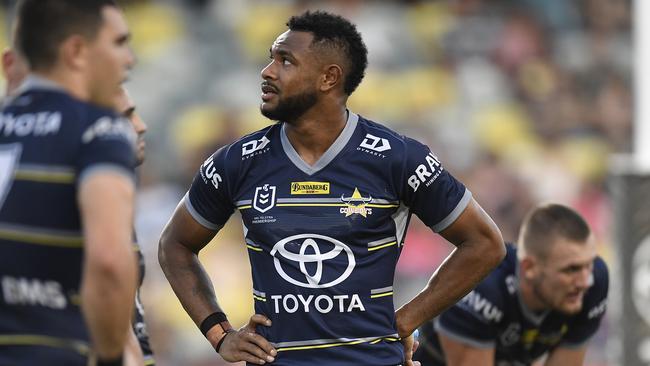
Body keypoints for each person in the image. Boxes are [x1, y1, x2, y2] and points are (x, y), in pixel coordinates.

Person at [158, 10, 505, 366]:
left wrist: (406, 320)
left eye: (286, 61)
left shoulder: (398, 158)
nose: (267, 71)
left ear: (329, 78)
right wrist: (220, 334)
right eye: (270, 59)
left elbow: (484, 244)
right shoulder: (238, 162)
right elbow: (175, 244)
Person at [0, 1, 138, 365]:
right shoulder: (99, 129)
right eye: (119, 42)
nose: (129, 59)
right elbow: (109, 262)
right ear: (77, 51)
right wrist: (110, 358)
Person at [413, 203, 609, 366]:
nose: (585, 281)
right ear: (530, 268)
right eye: (571, 270)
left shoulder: (594, 284)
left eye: (588, 265)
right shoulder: (482, 286)